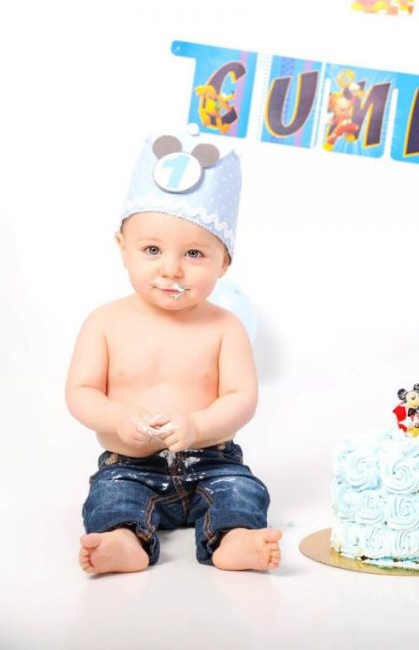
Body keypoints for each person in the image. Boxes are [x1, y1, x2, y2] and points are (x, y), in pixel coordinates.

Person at [66, 129, 281, 574]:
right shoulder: (104, 322)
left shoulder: (225, 328)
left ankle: (234, 538)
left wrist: (198, 424)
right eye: (151, 249)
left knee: (242, 492)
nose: (171, 269)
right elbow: (82, 392)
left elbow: (241, 399)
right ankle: (123, 541)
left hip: (212, 459)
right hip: (130, 463)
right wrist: (118, 420)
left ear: (224, 262)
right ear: (123, 249)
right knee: (111, 497)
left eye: (195, 253)